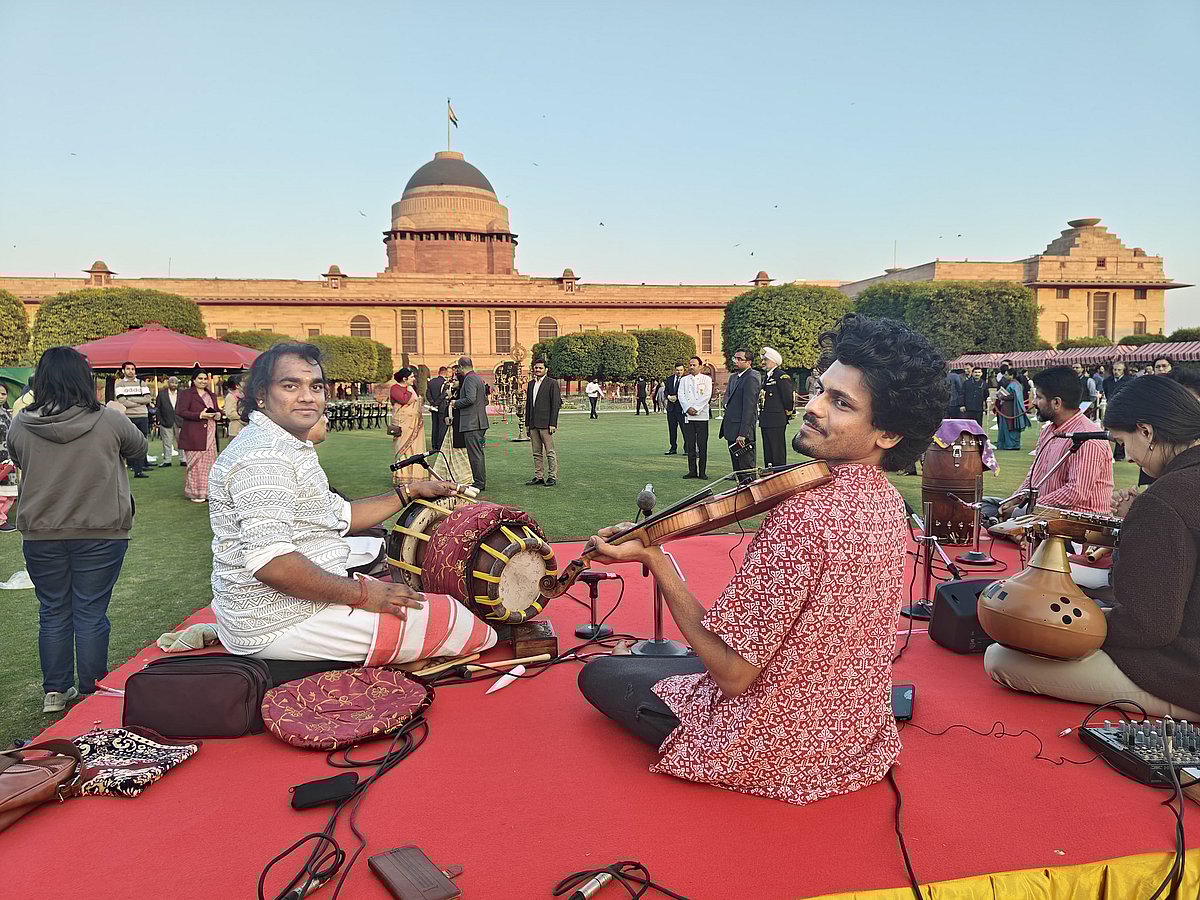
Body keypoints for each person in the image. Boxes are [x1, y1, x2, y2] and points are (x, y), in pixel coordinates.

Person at [577, 314, 949, 804]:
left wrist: (656, 559)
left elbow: (732, 674)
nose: (813, 407)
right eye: (819, 390)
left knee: (600, 672)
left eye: (840, 403)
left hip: (778, 746)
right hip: (852, 732)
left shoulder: (805, 513)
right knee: (659, 670)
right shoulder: (884, 499)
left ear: (889, 435)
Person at [208, 343, 475, 664]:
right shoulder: (264, 457)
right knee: (463, 623)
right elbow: (272, 564)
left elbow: (341, 515)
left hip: (300, 602)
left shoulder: (284, 444)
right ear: (261, 395)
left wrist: (411, 492)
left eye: (315, 386)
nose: (308, 396)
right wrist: (363, 595)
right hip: (279, 621)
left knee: (427, 604)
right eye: (291, 385)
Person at [986, 375, 1200, 721]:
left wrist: (1061, 626)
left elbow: (1150, 626)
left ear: (1146, 431)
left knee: (1001, 658)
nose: (1126, 457)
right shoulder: (1167, 497)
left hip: (1185, 674)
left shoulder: (1164, 501)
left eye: (1122, 442)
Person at [8, 347, 146, 713]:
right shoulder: (109, 420)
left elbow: (19, 458)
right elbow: (139, 448)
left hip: (42, 531)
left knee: (53, 610)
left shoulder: (22, 422)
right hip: (101, 530)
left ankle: (55, 690)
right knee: (89, 611)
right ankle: (91, 687)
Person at [999, 366, 1113, 518]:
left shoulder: (1089, 438)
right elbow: (1034, 478)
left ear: (1056, 403)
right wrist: (1014, 499)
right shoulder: (1049, 432)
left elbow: (1076, 492)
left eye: (1038, 397)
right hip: (1045, 514)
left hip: (1078, 523)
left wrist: (1031, 508)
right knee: (988, 505)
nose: (1034, 402)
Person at [178, 371, 222, 503]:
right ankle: (196, 493)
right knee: (196, 466)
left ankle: (208, 492)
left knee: (209, 465)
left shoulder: (211, 395)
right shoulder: (187, 394)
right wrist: (200, 415)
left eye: (205, 379)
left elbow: (217, 410)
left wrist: (217, 415)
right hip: (193, 434)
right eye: (200, 379)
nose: (203, 381)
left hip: (210, 434)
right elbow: (181, 411)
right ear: (194, 380)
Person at [721, 349, 760, 484]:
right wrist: (725, 403)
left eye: (739, 359)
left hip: (742, 432)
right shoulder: (734, 377)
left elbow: (749, 408)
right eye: (735, 358)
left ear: (748, 362)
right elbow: (728, 395)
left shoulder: (752, 377)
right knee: (737, 468)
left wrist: (743, 433)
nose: (736, 361)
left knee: (746, 468)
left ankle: (753, 496)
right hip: (731, 427)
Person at [450, 356, 488, 491]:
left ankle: (479, 482)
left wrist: (456, 403)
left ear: (461, 366)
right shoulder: (477, 378)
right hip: (477, 421)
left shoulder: (470, 379)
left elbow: (470, 399)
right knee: (477, 453)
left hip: (473, 422)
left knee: (475, 454)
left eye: (458, 368)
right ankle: (480, 481)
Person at [524, 357, 562, 487]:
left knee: (550, 452)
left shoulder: (552, 383)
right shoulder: (531, 384)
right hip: (533, 424)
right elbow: (528, 405)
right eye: (536, 368)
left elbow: (555, 404)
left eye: (540, 368)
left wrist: (553, 423)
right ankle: (539, 476)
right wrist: (527, 425)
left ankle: (552, 476)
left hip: (546, 424)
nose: (538, 370)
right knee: (536, 452)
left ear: (546, 369)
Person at [389, 367, 427, 486]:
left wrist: (410, 389)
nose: (414, 379)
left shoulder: (410, 388)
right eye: (411, 377)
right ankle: (403, 477)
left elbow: (416, 400)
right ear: (404, 379)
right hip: (402, 424)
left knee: (415, 448)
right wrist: (410, 390)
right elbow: (404, 400)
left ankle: (415, 476)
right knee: (403, 448)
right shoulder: (395, 388)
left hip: (414, 424)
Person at [115, 361, 152, 478]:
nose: (131, 371)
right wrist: (138, 402)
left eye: (132, 369)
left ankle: (139, 469)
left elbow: (147, 399)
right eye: (128, 369)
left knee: (143, 441)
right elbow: (121, 401)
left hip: (143, 416)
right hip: (129, 416)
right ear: (123, 371)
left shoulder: (142, 383)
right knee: (130, 442)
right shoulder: (120, 384)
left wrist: (131, 401)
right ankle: (131, 467)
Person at [677, 356, 712, 480]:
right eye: (690, 365)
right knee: (690, 445)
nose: (691, 367)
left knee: (702, 445)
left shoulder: (706, 379)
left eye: (694, 365)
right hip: (688, 417)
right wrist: (688, 408)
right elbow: (681, 395)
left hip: (702, 416)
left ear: (700, 366)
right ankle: (692, 470)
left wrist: (696, 408)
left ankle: (702, 471)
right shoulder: (684, 380)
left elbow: (707, 395)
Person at [758, 347, 793, 469]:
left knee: (777, 452)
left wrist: (788, 413)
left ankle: (779, 474)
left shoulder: (781, 376)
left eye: (765, 360)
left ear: (773, 361)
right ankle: (770, 473)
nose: (763, 363)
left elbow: (787, 398)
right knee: (768, 452)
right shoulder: (767, 377)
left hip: (776, 419)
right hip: (766, 419)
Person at [1103, 362, 1133, 460]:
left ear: (1124, 370)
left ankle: (1120, 454)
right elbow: (1107, 393)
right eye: (1115, 369)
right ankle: (1108, 453)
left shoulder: (1130, 380)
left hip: (1124, 409)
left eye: (1119, 370)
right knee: (1109, 431)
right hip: (1110, 408)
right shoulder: (1107, 381)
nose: (1116, 372)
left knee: (1121, 431)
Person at [993, 374, 1030, 450]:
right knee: (1010, 425)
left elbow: (1013, 396)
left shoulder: (1014, 385)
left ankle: (1010, 445)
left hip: (1010, 409)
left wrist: (1002, 396)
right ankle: (1009, 444)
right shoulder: (1016, 384)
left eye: (1007, 375)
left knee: (1010, 426)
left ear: (1012, 375)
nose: (1005, 376)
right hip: (1010, 408)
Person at [154, 375, 184, 466]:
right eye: (172, 383)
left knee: (182, 441)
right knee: (167, 442)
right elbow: (158, 408)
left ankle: (183, 459)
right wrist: (160, 420)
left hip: (181, 421)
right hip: (166, 421)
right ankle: (167, 460)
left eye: (176, 383)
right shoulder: (162, 394)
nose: (174, 384)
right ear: (168, 383)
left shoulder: (183, 393)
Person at [0, 383, 16, 533]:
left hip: (9, 457)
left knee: (9, 492)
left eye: (3, 394)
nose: (1, 397)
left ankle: (3, 516)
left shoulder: (7, 413)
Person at [426, 366, 449, 453]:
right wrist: (437, 403)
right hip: (442, 407)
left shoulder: (431, 382)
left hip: (433, 408)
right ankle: (440, 446)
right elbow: (443, 395)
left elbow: (427, 393)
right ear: (445, 373)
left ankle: (434, 445)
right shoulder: (445, 383)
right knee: (442, 427)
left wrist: (432, 403)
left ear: (438, 372)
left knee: (434, 426)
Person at [663, 363, 685, 454]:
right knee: (672, 429)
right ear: (674, 370)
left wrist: (677, 397)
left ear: (683, 370)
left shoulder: (686, 379)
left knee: (685, 430)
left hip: (682, 409)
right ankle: (673, 448)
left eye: (681, 370)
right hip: (671, 409)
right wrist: (668, 396)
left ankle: (687, 448)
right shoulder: (669, 379)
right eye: (677, 370)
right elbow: (666, 391)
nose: (679, 372)